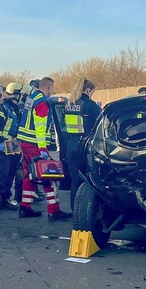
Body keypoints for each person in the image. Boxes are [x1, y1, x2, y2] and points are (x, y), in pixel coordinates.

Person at [16, 77, 72, 221]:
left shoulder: (32, 98)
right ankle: (54, 210)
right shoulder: (42, 102)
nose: (52, 91)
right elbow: (40, 127)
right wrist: (42, 149)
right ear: (48, 87)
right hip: (35, 144)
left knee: (30, 176)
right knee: (48, 177)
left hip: (25, 143)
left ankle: (25, 207)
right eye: (52, 88)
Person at [65, 78, 102, 210]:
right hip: (85, 146)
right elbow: (100, 124)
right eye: (92, 92)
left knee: (75, 180)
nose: (92, 95)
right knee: (89, 180)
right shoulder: (90, 105)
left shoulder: (69, 103)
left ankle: (74, 209)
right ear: (88, 90)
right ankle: (85, 211)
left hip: (71, 145)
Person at [0, 82, 24, 214]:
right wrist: (0, 141)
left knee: (10, 174)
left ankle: (5, 199)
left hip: (14, 146)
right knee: (2, 174)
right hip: (2, 147)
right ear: (15, 95)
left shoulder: (17, 109)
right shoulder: (1, 108)